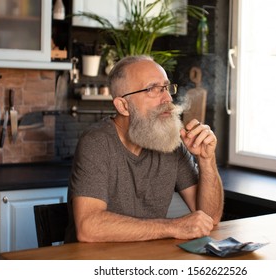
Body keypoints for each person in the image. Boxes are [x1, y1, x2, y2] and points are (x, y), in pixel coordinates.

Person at [65, 55, 224, 243]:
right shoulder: (96, 142)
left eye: (166, 88)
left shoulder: (171, 143)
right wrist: (173, 226)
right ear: (123, 106)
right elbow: (88, 228)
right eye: (152, 89)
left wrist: (207, 160)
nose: (167, 99)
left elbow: (210, 218)